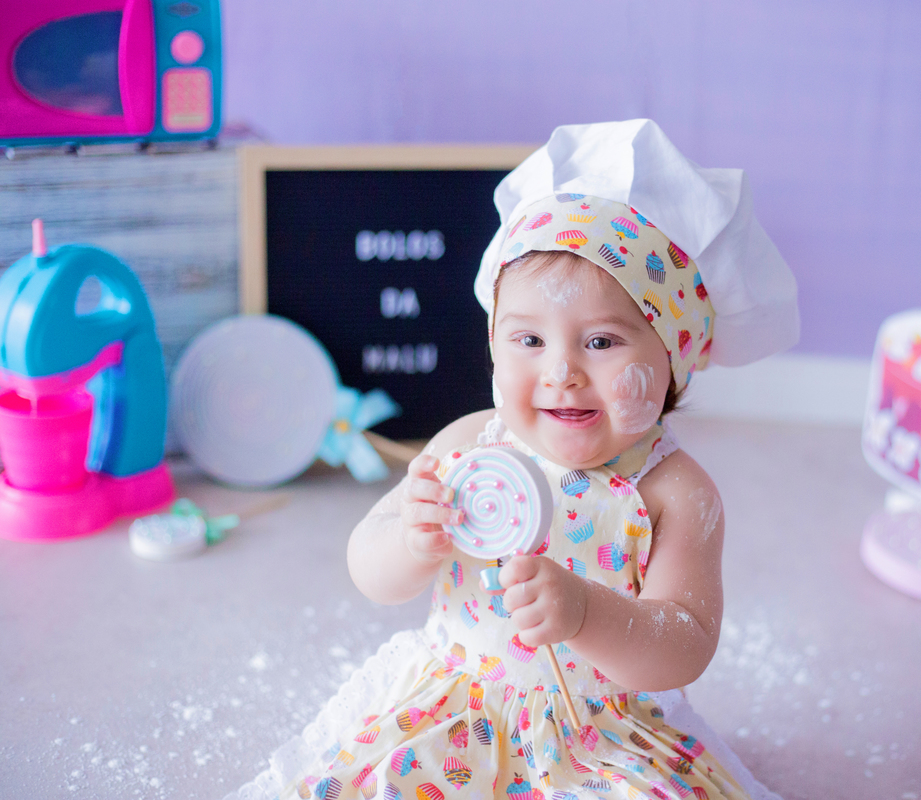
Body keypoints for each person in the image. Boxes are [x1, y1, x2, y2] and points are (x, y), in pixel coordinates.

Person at [232, 119, 799, 800]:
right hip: (458, 709)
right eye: (529, 338)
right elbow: (369, 572)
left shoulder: (676, 493)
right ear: (495, 342)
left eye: (601, 343)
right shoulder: (469, 444)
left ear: (672, 357)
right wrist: (410, 541)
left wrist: (588, 613)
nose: (560, 372)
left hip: (600, 729)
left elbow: (687, 643)